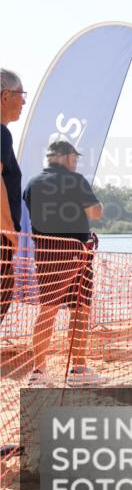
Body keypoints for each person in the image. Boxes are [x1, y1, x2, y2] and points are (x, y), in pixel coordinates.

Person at [24, 141, 105, 387]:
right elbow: (95, 213)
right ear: (66, 158)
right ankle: (78, 368)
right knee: (80, 310)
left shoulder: (32, 184)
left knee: (46, 311)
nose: (76, 162)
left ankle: (39, 371)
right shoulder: (75, 180)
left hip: (45, 254)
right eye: (75, 157)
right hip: (75, 254)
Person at [0, 69, 25, 326]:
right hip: (1, 237)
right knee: (3, 294)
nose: (24, 102)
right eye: (21, 94)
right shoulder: (1, 133)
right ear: (5, 97)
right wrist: (9, 230)